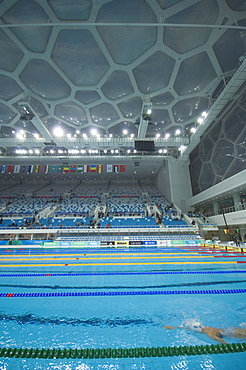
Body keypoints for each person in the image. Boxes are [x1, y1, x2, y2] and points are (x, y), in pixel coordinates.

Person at [163, 320, 246, 344]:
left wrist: (226, 345)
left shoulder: (208, 333)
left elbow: (219, 340)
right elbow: (186, 328)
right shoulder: (203, 329)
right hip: (229, 330)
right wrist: (173, 327)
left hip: (231, 333)